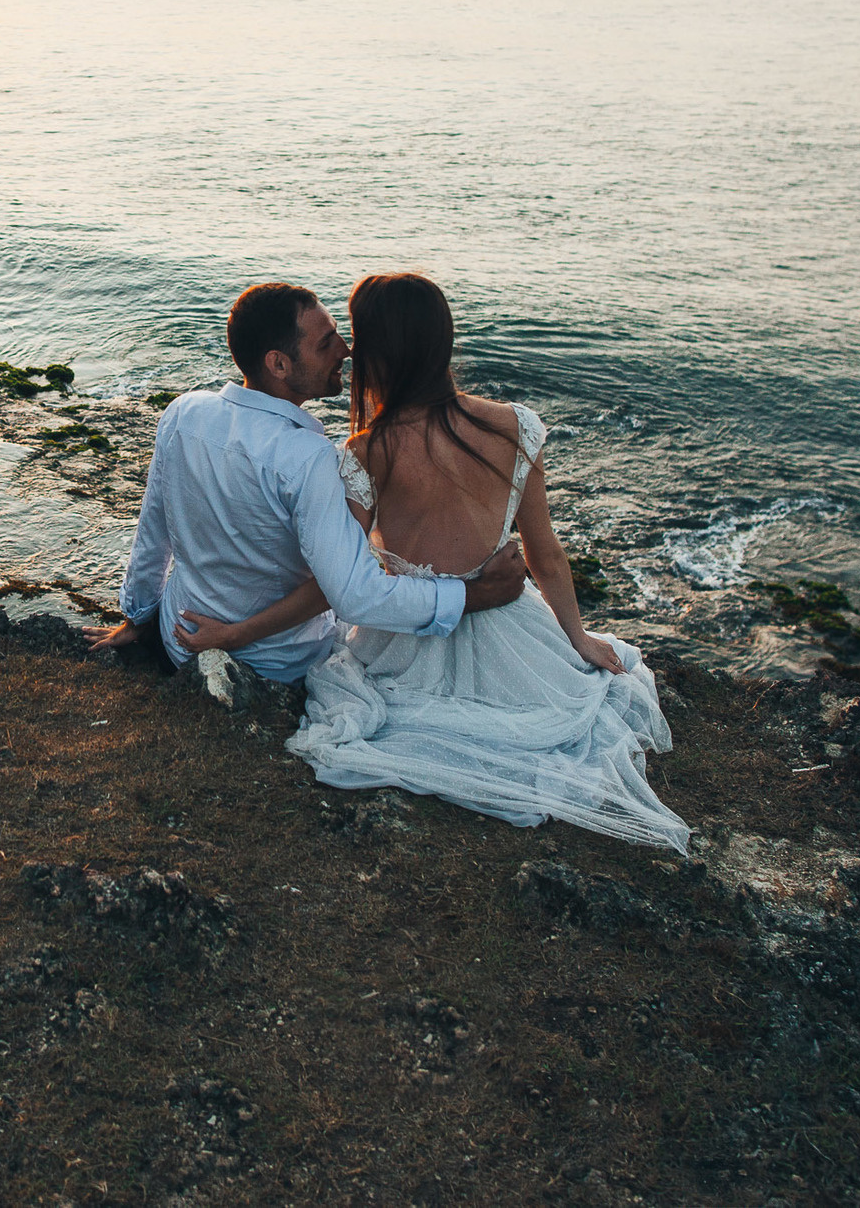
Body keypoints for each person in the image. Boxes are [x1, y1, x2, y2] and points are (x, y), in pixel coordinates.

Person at [175, 273, 688, 851]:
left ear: (379, 355)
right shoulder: (515, 426)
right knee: (568, 715)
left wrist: (239, 632)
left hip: (403, 645)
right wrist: (578, 640)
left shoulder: (365, 452)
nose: (346, 351)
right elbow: (545, 555)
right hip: (514, 631)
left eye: (356, 343)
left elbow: (333, 587)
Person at [92, 282, 530, 682]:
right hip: (278, 662)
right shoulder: (311, 458)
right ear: (279, 364)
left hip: (179, 634)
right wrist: (473, 594)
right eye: (326, 343)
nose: (346, 350)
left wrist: (139, 615)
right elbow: (357, 597)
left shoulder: (184, 413)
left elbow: (153, 528)